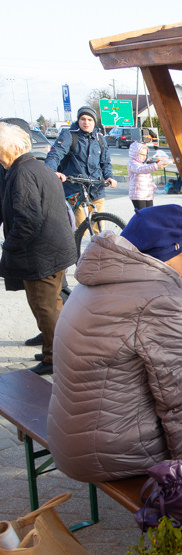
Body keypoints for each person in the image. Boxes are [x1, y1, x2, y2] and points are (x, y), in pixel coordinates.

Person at [47, 205, 182, 482]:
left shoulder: (96, 277)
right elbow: (179, 400)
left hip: (70, 441)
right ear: (172, 250)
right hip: (113, 452)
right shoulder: (161, 300)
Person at [0, 121, 78, 376]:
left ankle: (55, 359)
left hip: (41, 255)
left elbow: (28, 219)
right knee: (53, 306)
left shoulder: (22, 172)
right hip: (54, 251)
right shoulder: (36, 166)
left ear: (8, 149)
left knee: (45, 308)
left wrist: (8, 244)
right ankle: (54, 349)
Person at [45, 106, 117, 227]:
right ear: (78, 120)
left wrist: (109, 177)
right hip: (75, 190)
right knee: (77, 229)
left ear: (94, 122)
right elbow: (55, 154)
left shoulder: (100, 139)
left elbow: (105, 163)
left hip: (96, 189)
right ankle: (72, 245)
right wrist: (52, 171)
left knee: (100, 232)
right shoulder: (69, 136)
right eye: (83, 119)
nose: (86, 122)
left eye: (90, 119)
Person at [128, 141, 171, 210]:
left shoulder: (143, 163)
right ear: (135, 153)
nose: (144, 157)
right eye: (141, 154)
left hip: (147, 194)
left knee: (150, 214)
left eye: (145, 155)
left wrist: (162, 161)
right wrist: (156, 166)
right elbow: (141, 170)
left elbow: (147, 168)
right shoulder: (132, 163)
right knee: (142, 215)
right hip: (138, 195)